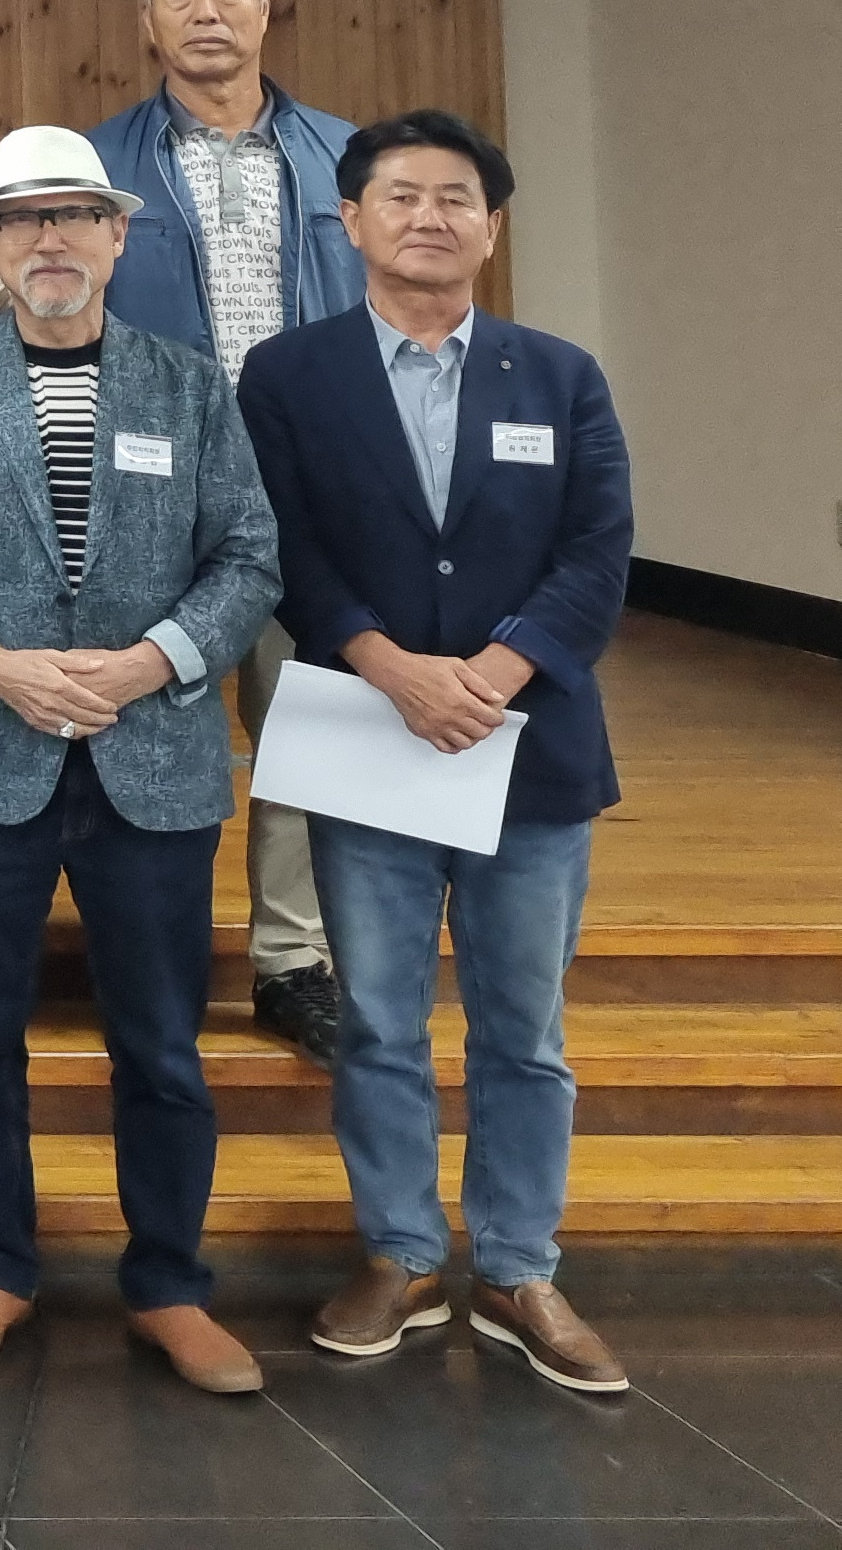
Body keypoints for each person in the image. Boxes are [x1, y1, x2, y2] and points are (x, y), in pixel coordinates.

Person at [238, 112, 635, 1395]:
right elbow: (281, 543)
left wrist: (497, 673)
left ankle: (519, 1267)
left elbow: (598, 553)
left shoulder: (560, 375)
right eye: (400, 195)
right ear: (350, 221)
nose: (429, 216)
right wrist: (389, 664)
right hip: (370, 737)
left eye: (456, 197)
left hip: (529, 750)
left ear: (492, 227)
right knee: (379, 1025)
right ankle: (401, 1254)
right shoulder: (287, 376)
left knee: (526, 1030)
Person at [0, 124, 280, 1396]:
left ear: (117, 235)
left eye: (73, 215)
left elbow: (249, 556)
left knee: (160, 1045)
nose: (48, 239)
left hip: (151, 761)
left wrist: (153, 662)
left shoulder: (191, 386)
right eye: (20, 219)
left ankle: (169, 1283)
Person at [89, 0, 365, 1069]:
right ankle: (155, 955)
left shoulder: (349, 159)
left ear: (266, 2)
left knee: (312, 726)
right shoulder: (99, 166)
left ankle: (294, 961)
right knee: (158, 730)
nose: (206, 12)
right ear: (145, 19)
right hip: (155, 494)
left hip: (316, 486)